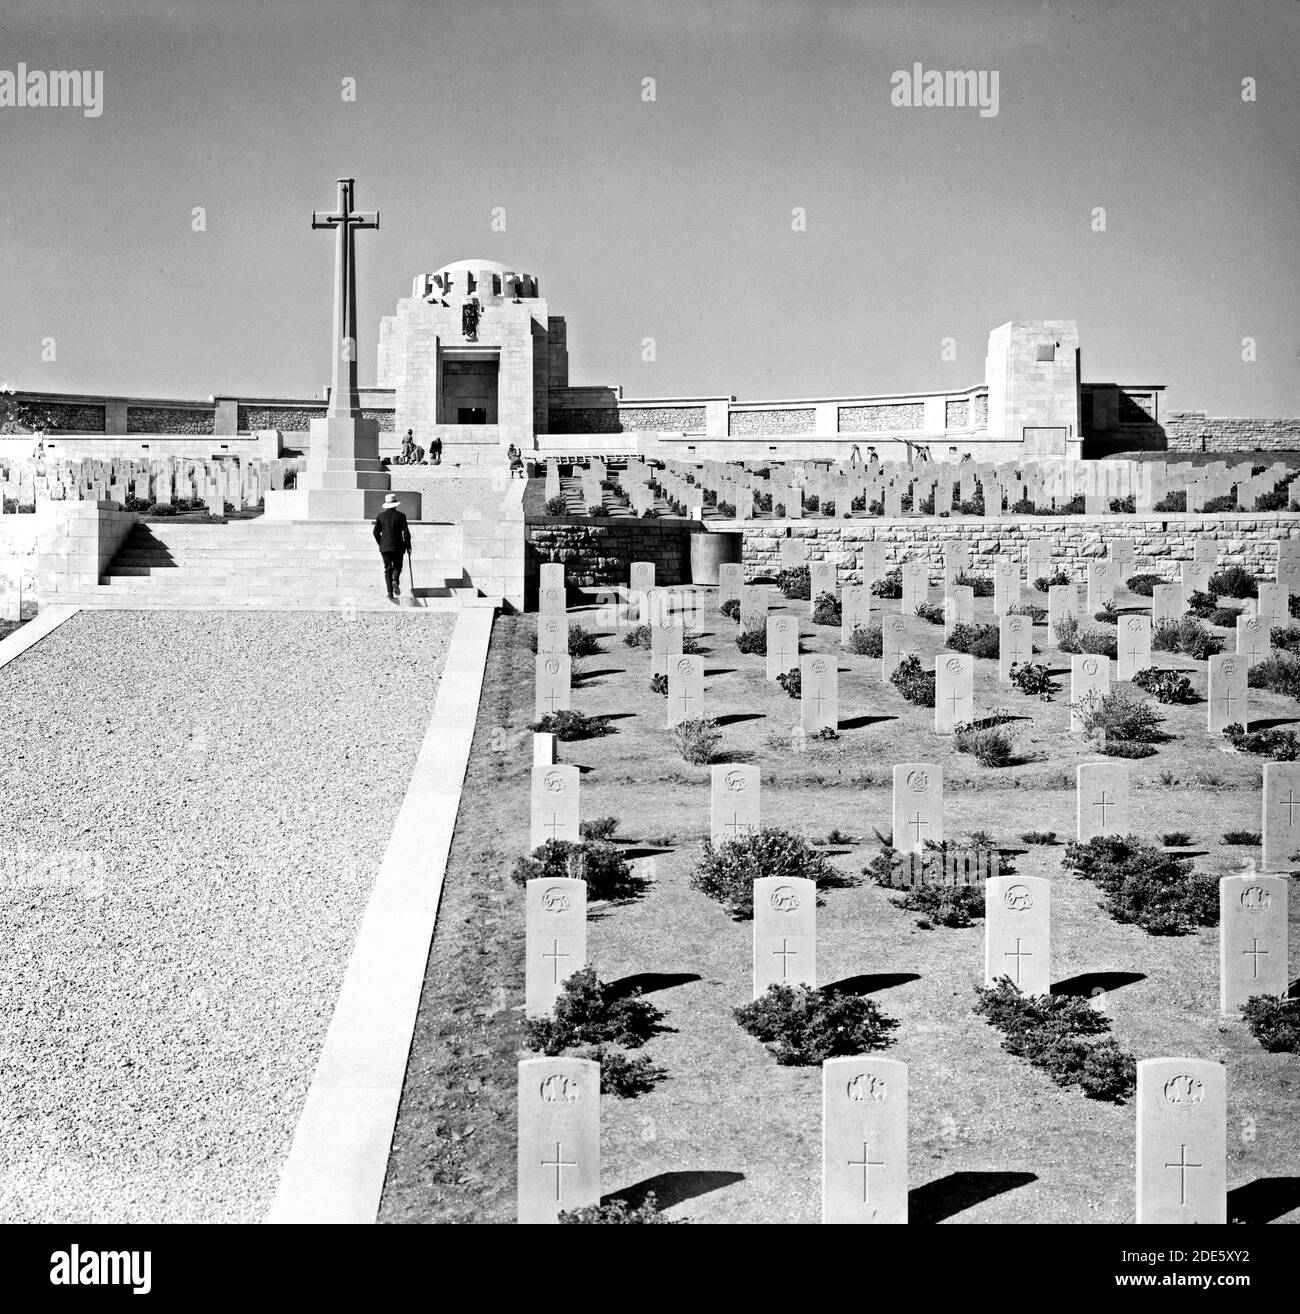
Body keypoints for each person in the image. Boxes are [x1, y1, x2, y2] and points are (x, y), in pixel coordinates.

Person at [372, 491, 412, 600]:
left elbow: (375, 533)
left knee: (387, 568)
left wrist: (381, 543)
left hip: (385, 547)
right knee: (398, 566)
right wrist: (408, 545)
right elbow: (406, 532)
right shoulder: (401, 516)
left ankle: (390, 593)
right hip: (398, 546)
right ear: (395, 504)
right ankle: (395, 580)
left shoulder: (380, 516)